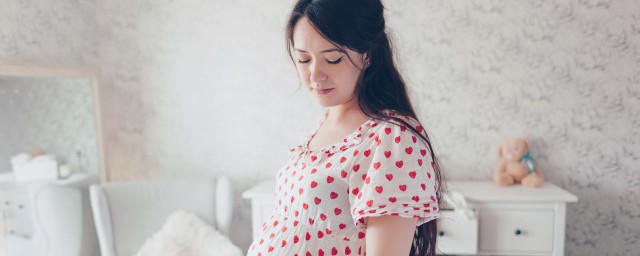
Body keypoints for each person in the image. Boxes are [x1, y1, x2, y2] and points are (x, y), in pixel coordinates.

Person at [246, 0, 444, 255]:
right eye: (303, 59)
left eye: (333, 59)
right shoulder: (327, 123)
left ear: (368, 55)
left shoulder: (393, 141)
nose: (315, 75)